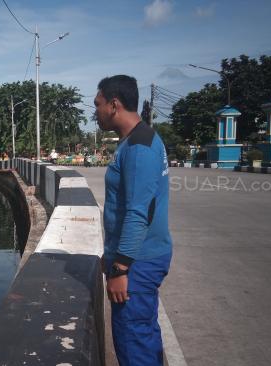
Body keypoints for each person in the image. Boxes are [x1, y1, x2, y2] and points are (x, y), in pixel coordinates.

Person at [94, 75, 173, 366]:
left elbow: (139, 213)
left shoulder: (140, 147)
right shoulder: (138, 139)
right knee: (143, 334)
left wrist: (120, 268)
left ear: (114, 105)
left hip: (137, 262)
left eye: (98, 104)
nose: (96, 112)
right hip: (139, 257)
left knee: (132, 341)